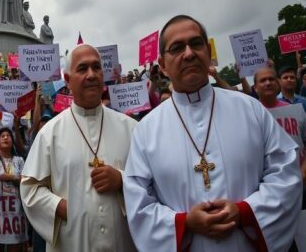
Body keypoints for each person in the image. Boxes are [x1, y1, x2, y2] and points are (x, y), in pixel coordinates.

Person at [124, 15, 303, 251]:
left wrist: (245, 212)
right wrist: (184, 223)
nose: (188, 53)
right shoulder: (146, 129)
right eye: (177, 48)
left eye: (196, 44)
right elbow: (138, 203)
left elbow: (286, 176)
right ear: (163, 65)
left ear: (208, 52)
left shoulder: (251, 109)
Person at [21, 45, 137, 252]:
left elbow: (152, 184)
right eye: (82, 69)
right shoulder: (50, 133)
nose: (91, 74)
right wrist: (59, 208)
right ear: (67, 79)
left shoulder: (131, 128)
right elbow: (30, 189)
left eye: (96, 67)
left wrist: (122, 180)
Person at [254, 67, 306, 179]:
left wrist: (303, 171)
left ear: (278, 84)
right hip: (267, 183)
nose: (268, 83)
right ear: (255, 88)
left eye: (271, 79)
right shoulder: (250, 115)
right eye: (263, 80)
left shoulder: (296, 110)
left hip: (300, 178)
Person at [0, 127, 28, 250]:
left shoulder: (19, 160)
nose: (5, 137)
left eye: (8, 136)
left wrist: (11, 177)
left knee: (14, 246)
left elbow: (25, 180)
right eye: (2, 136)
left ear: (12, 141)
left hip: (15, 211)